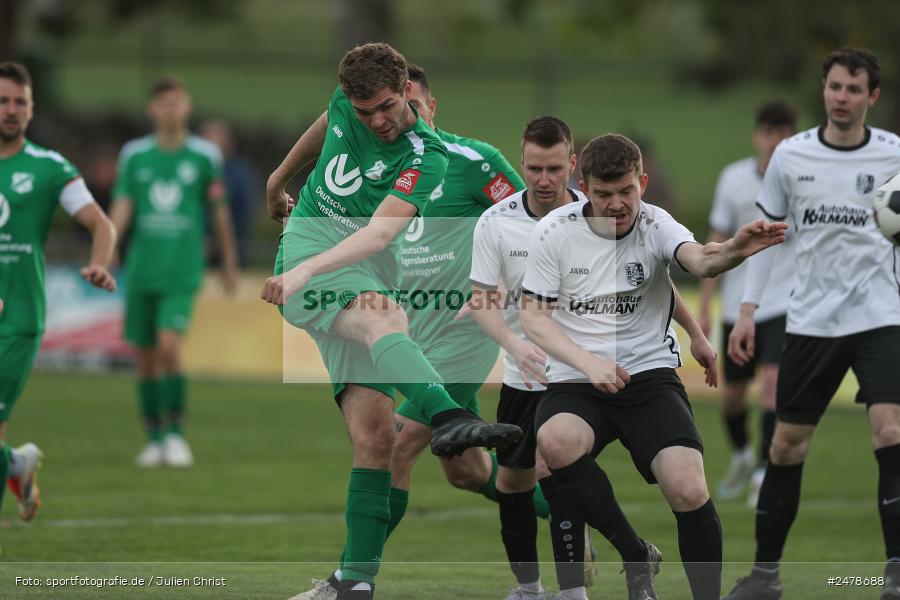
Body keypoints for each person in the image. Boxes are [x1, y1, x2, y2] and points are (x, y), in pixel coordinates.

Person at [261, 43, 522, 600]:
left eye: (385, 107)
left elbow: (380, 235)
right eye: (363, 112)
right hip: (310, 252)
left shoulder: (428, 157)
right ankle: (450, 416)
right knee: (387, 320)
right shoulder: (346, 102)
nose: (375, 120)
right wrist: (281, 174)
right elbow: (325, 119)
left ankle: (352, 585)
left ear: (408, 92)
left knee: (377, 441)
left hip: (355, 267)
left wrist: (305, 272)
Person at [520, 134, 785, 600]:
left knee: (686, 486)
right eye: (604, 195)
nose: (618, 204)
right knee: (554, 443)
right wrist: (588, 363)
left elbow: (698, 259)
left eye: (627, 191)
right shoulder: (554, 234)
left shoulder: (656, 224)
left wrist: (735, 251)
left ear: (642, 182)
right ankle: (633, 551)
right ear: (585, 188)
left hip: (648, 374)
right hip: (579, 380)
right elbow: (533, 318)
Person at [471, 119, 719, 600]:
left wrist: (695, 330)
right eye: (534, 168)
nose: (544, 179)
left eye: (554, 168)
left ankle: (589, 583)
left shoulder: (630, 218)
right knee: (522, 476)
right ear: (520, 164)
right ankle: (544, 587)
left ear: (571, 170)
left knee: (675, 484)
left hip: (621, 370)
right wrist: (518, 344)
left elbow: (660, 276)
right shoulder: (502, 223)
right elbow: (488, 300)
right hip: (548, 371)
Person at [723, 48, 900, 600]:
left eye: (853, 89)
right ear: (823, 90)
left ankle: (895, 575)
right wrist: (748, 309)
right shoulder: (791, 157)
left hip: (880, 315)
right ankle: (765, 577)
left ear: (872, 96)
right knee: (787, 446)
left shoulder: (896, 153)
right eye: (834, 87)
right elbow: (765, 239)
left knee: (891, 432)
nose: (841, 98)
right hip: (812, 319)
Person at [0, 61, 117, 524]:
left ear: (31, 110)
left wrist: (100, 264)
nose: (11, 110)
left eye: (19, 102)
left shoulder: (49, 169)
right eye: (3, 101)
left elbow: (99, 223)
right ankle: (14, 463)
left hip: (18, 318)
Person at [110, 77, 240, 469]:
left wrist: (229, 262)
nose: (170, 109)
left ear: (187, 107)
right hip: (142, 268)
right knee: (146, 357)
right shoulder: (134, 155)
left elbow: (218, 211)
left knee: (169, 346)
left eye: (176, 102)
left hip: (182, 269)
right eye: (162, 103)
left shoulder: (203, 156)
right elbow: (123, 203)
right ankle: (153, 438)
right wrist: (110, 244)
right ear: (152, 109)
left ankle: (177, 435)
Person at [697, 101, 797, 506]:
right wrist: (705, 305)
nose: (775, 141)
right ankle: (741, 456)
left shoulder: (801, 181)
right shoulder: (733, 179)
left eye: (784, 134)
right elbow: (714, 241)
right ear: (758, 135)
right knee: (733, 397)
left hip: (786, 302)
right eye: (769, 133)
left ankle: (761, 472)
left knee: (773, 387)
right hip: (740, 304)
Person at [199, 119, 259, 266]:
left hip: (233, 254)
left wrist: (216, 244)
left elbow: (246, 215)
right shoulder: (193, 170)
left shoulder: (241, 173)